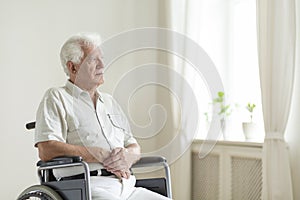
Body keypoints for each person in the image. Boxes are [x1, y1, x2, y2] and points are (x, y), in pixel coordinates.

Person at [34, 32, 171, 200]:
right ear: (73, 67)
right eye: (93, 60)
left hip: (127, 186)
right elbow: (46, 149)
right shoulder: (57, 97)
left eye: (102, 58)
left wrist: (129, 156)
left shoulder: (109, 102)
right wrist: (96, 154)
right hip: (89, 185)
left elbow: (133, 145)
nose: (102, 65)